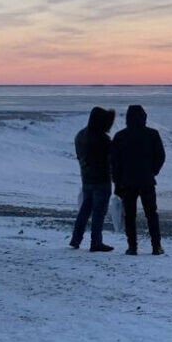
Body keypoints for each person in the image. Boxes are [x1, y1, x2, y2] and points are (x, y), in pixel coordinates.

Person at [111, 105, 166, 255]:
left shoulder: (120, 136)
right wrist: (153, 171)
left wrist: (117, 182)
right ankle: (156, 246)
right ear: (144, 117)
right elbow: (160, 156)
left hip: (127, 182)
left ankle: (132, 247)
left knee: (130, 215)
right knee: (152, 214)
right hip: (147, 180)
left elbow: (114, 163)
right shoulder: (152, 134)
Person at [70, 106, 116, 252]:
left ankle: (76, 239)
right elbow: (111, 161)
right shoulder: (104, 140)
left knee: (84, 210)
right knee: (99, 213)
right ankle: (96, 242)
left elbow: (79, 156)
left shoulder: (80, 135)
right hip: (102, 180)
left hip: (86, 178)